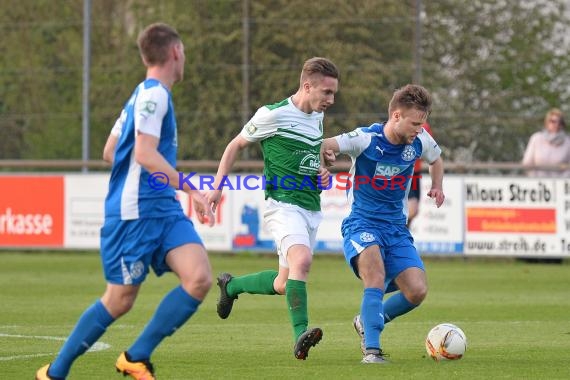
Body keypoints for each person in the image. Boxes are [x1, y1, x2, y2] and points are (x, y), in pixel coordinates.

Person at [36, 23, 215, 380]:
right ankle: (54, 373)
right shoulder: (154, 96)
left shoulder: (143, 95)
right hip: (134, 212)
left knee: (199, 278)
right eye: (185, 54)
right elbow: (145, 154)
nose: (185, 61)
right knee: (119, 299)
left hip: (161, 209)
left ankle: (136, 356)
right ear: (176, 52)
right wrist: (192, 189)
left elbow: (109, 150)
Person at [206, 57, 340, 360]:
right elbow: (234, 145)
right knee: (302, 260)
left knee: (283, 283)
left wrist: (323, 167)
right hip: (282, 204)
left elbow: (313, 150)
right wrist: (216, 187)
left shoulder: (317, 118)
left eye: (333, 94)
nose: (331, 100)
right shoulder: (272, 114)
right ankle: (300, 335)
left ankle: (231, 287)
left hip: (310, 207)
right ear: (307, 86)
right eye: (326, 93)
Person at [321, 84, 445, 363]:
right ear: (397, 116)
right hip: (362, 224)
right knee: (375, 277)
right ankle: (372, 351)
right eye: (415, 123)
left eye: (422, 123)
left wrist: (437, 185)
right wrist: (325, 160)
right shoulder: (366, 138)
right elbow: (326, 144)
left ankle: (368, 320)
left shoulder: (420, 140)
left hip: (396, 230)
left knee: (417, 290)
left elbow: (436, 160)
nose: (419, 129)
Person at [522, 108, 570, 177]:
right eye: (553, 121)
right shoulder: (536, 138)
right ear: (547, 122)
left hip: (560, 183)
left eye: (560, 122)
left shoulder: (568, 142)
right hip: (538, 183)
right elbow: (527, 163)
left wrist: (560, 181)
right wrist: (535, 178)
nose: (556, 124)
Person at [406, 122, 433, 229]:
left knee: (414, 211)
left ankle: (401, 236)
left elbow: (430, 148)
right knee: (411, 208)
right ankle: (396, 236)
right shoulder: (403, 122)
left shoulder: (425, 126)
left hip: (415, 172)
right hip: (404, 171)